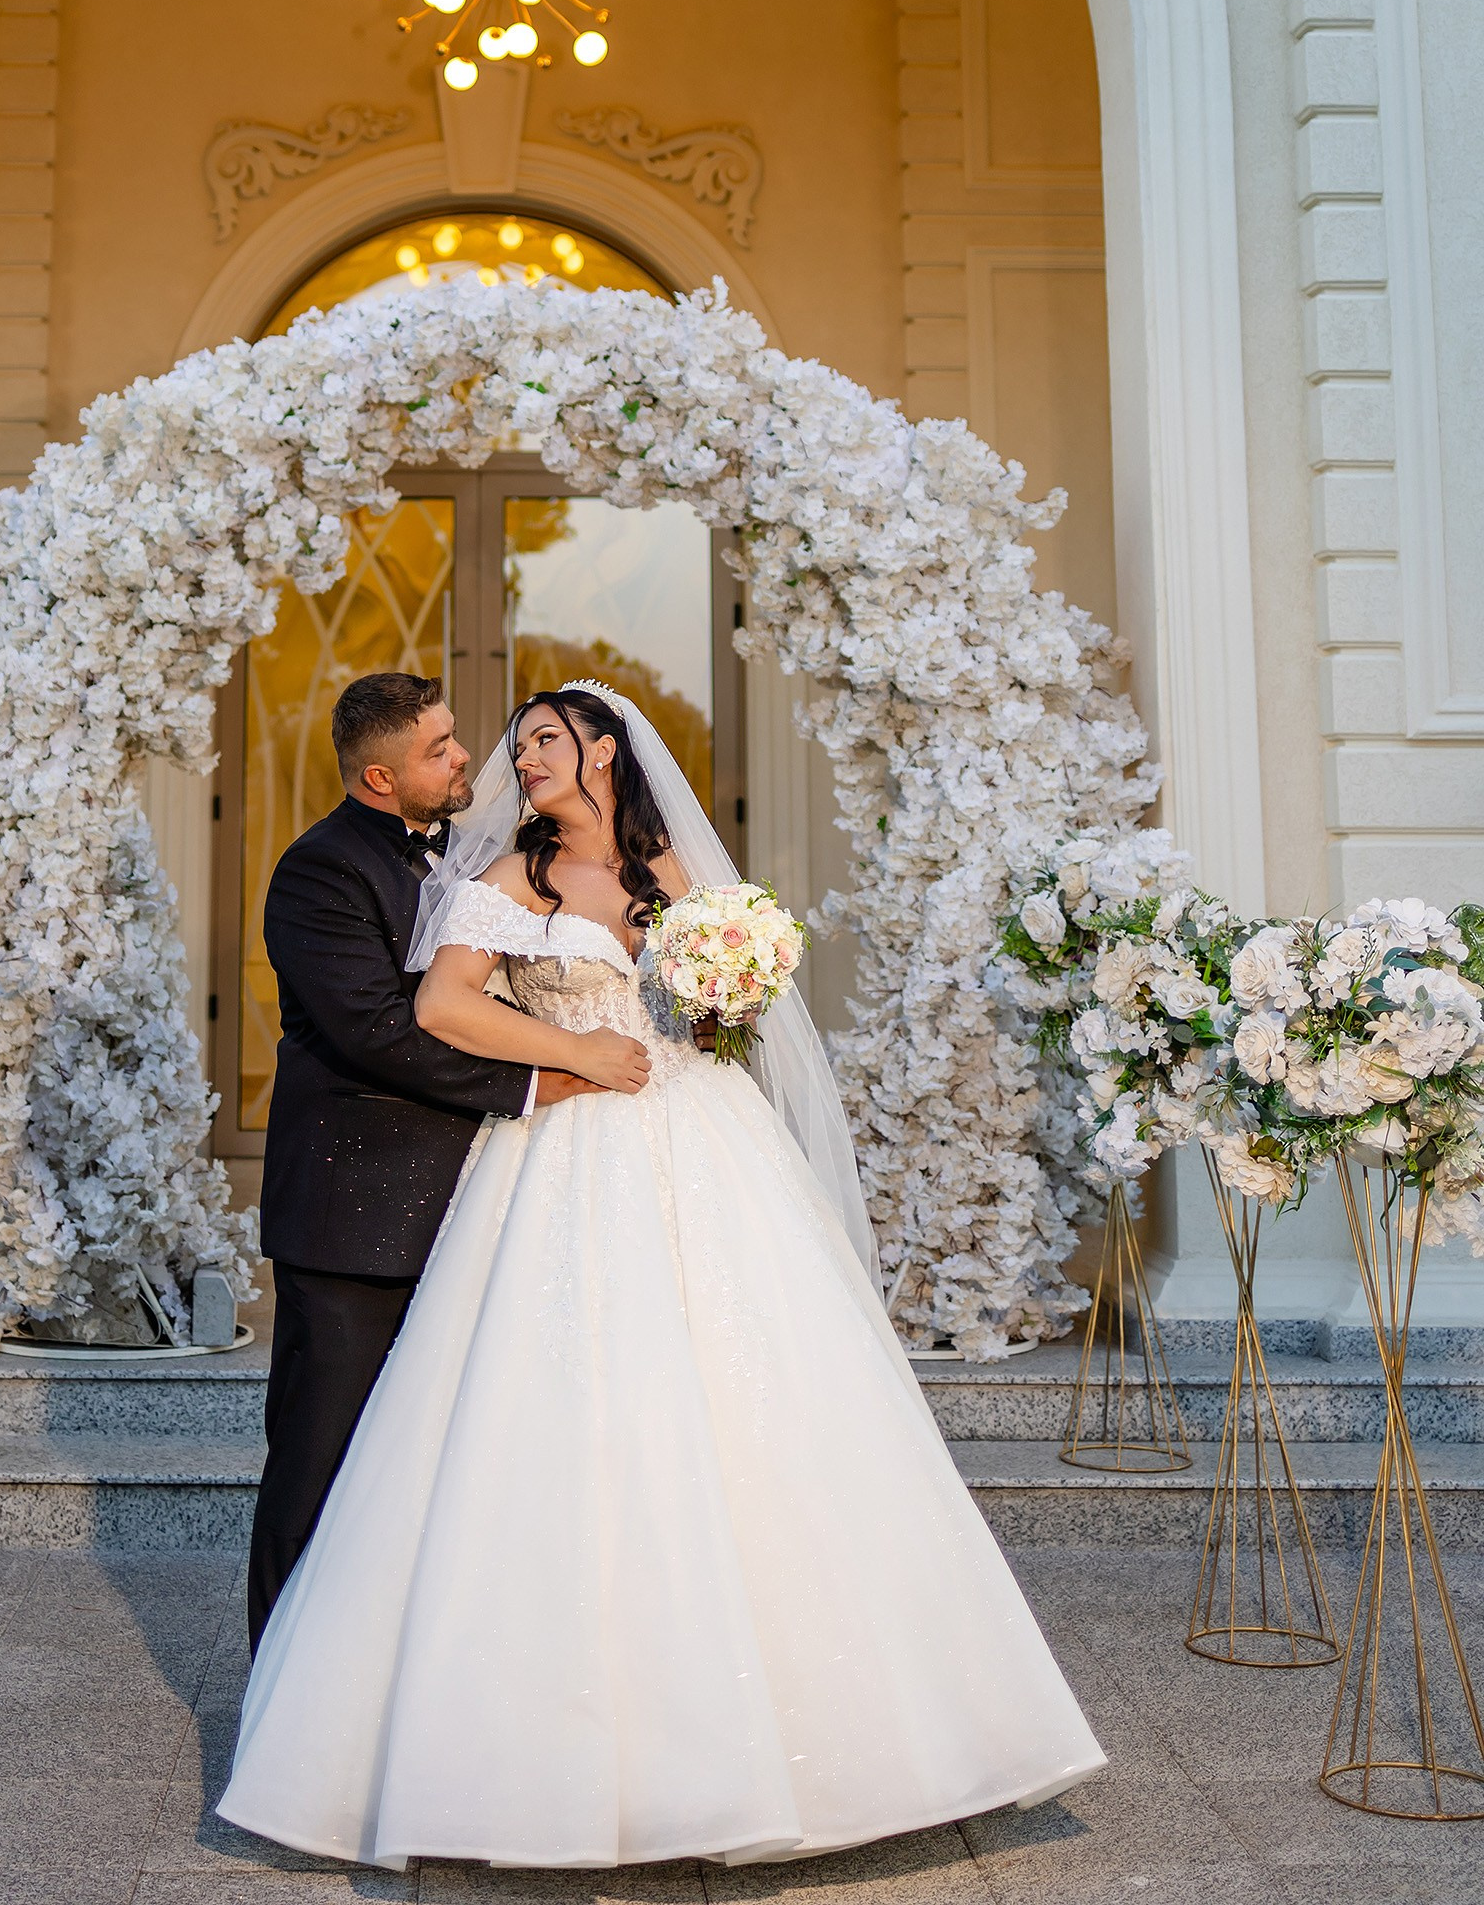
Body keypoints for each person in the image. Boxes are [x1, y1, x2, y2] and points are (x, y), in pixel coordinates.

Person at [221, 680, 1105, 1869]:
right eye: (498, 744)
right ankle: (337, 1714)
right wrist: (572, 1057)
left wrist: (725, 992)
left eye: (538, 740)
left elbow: (716, 1017)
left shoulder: (670, 877)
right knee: (540, 1422)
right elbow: (435, 1007)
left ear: (604, 750)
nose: (506, 761)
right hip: (563, 1154)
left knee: (750, 1404)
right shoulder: (505, 879)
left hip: (701, 1148)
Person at [245, 669, 596, 1648]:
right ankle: (278, 1685)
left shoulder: (483, 855)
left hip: (475, 1200)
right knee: (318, 1464)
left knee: (426, 1470)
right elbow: (373, 1031)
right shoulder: (317, 874)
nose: (463, 758)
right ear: (377, 781)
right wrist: (535, 1082)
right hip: (355, 1212)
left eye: (452, 738)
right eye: (439, 751)